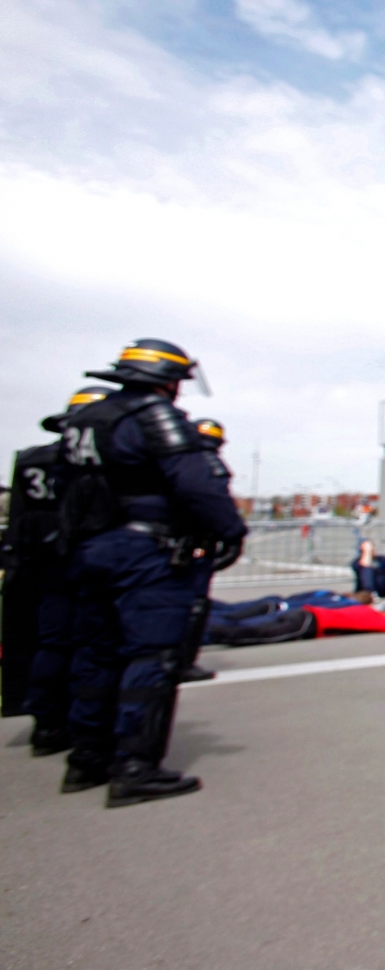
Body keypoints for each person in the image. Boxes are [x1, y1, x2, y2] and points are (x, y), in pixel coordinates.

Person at [60, 341, 244, 806]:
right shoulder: (153, 415)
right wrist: (228, 530)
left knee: (96, 654)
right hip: (145, 551)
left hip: (92, 548)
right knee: (152, 657)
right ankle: (135, 767)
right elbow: (194, 482)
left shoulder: (89, 420)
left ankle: (86, 758)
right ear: (166, 378)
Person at [2, 387, 111, 755]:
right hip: (84, 560)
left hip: (38, 564)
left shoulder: (31, 459)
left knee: (49, 642)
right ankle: (85, 729)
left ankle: (45, 722)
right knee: (93, 647)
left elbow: (18, 516)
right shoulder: (92, 461)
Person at [174, 417, 235, 683]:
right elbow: (215, 505)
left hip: (161, 547)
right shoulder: (207, 466)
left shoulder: (170, 463)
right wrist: (233, 536)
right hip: (194, 547)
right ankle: (182, 661)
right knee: (194, 605)